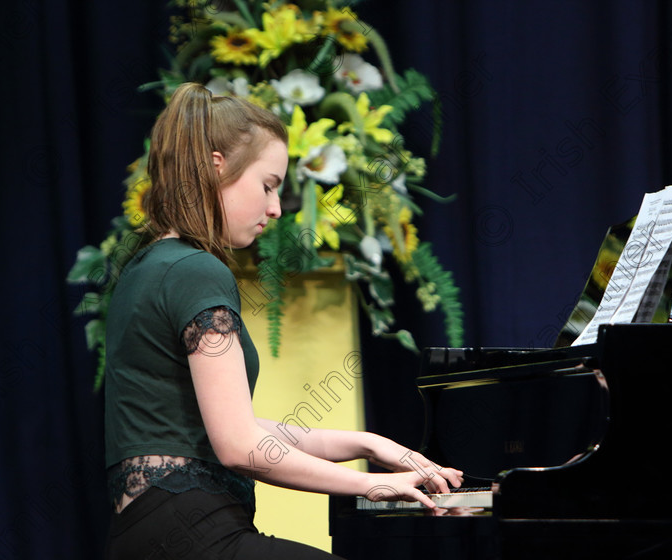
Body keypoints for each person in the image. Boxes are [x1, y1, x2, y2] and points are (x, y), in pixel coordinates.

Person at [102, 82, 463, 559]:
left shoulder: (145, 267)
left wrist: (370, 444)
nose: (275, 208)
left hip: (148, 530)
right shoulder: (196, 269)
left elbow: (237, 427)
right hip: (194, 531)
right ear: (217, 167)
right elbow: (239, 445)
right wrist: (370, 486)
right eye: (268, 185)